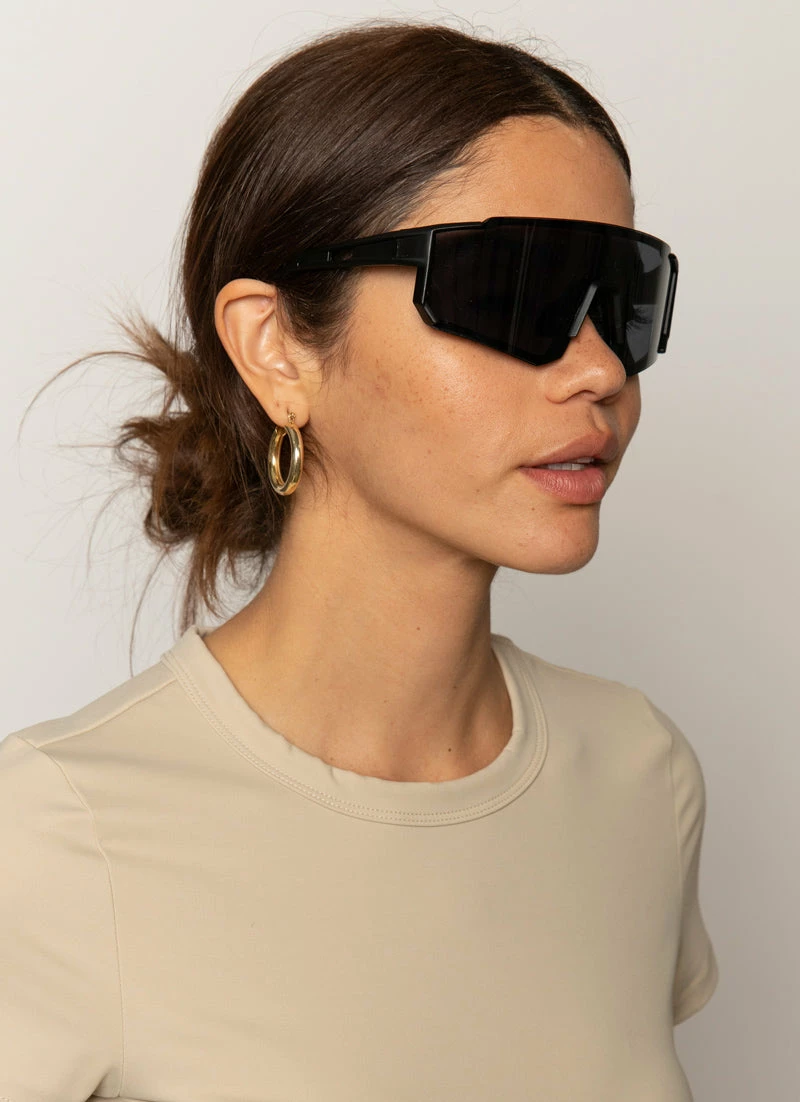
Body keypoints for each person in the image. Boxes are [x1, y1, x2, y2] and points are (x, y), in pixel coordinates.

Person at [1, 18, 718, 1102]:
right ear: (277, 348)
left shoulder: (636, 774)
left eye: (623, 297)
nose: (600, 369)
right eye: (512, 290)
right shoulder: (61, 833)